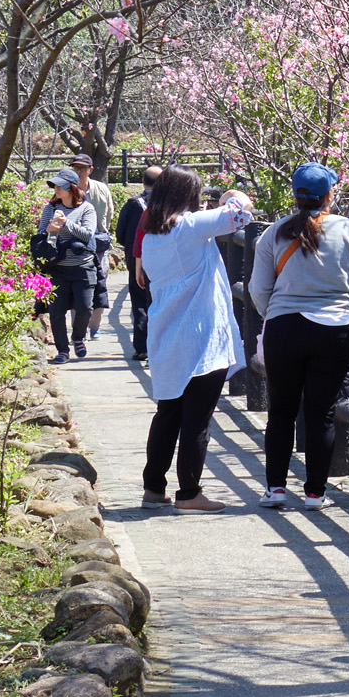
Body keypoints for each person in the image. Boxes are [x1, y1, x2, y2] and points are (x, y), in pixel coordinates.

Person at [249, 163, 349, 512]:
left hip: (283, 327)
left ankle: (275, 488)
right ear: (330, 195)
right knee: (321, 412)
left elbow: (258, 289)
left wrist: (274, 313)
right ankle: (315, 493)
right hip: (333, 329)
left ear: (295, 195)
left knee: (281, 411)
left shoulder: (273, 234)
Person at [138, 166, 253, 512]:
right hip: (201, 339)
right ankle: (189, 493)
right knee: (197, 419)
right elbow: (242, 212)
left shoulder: (152, 235)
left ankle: (154, 488)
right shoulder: (189, 227)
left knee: (167, 414)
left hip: (167, 336)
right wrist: (228, 197)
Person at [38, 168, 99, 363]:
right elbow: (40, 235)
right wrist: (49, 230)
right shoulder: (50, 208)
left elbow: (88, 234)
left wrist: (66, 224)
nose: (56, 189)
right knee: (56, 311)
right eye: (55, 185)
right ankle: (62, 350)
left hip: (83, 267)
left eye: (60, 186)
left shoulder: (86, 209)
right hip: (58, 267)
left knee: (85, 308)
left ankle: (78, 337)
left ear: (72, 188)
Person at [114, 165, 162, 361]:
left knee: (139, 301)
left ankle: (142, 347)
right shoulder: (167, 205)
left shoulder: (133, 204)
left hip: (136, 259)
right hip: (160, 260)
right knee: (158, 301)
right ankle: (158, 347)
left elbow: (120, 234)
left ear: (143, 182)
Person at [70, 153, 117, 341]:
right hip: (74, 244)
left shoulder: (101, 189)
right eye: (76, 168)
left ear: (90, 170)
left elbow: (110, 213)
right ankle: (77, 329)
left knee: (99, 284)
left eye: (82, 168)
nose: (79, 171)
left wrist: (103, 232)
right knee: (76, 286)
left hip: (98, 244)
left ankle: (95, 327)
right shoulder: (67, 188)